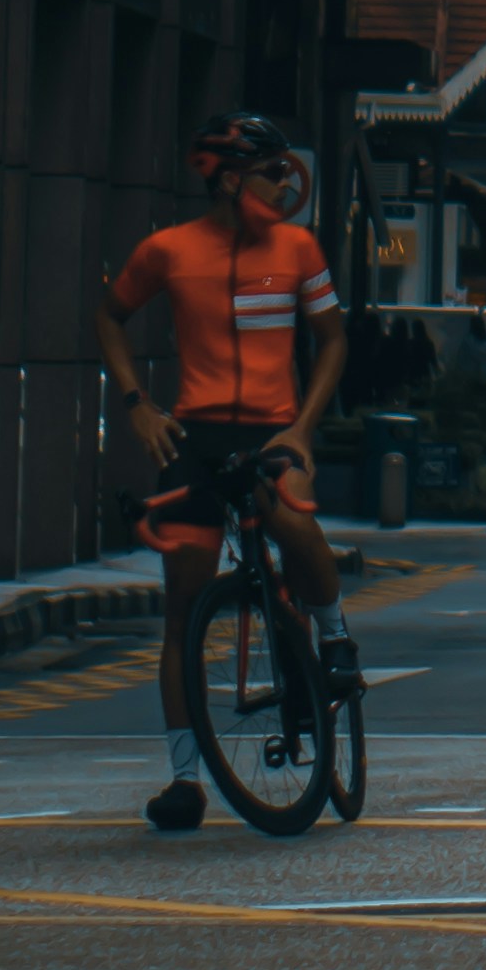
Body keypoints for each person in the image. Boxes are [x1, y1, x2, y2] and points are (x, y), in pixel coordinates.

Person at [96, 109, 354, 830]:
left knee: (295, 526)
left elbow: (333, 340)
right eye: (272, 173)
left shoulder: (298, 247)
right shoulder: (168, 250)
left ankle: (334, 635)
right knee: (182, 609)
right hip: (197, 434)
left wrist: (302, 427)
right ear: (232, 180)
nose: (285, 185)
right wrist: (138, 405)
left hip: (274, 428)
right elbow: (109, 317)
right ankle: (185, 779)